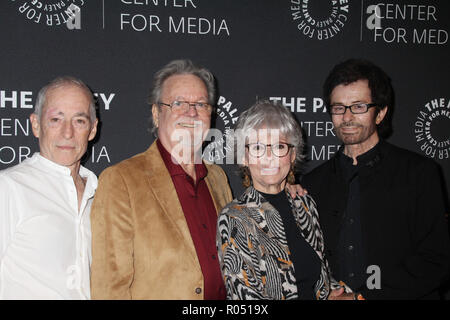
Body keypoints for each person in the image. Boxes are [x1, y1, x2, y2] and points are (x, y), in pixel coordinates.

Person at [302, 59, 450, 299]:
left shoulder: (419, 173)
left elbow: (436, 259)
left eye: (358, 107)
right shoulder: (312, 184)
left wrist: (365, 297)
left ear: (380, 113)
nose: (347, 117)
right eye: (339, 107)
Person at [216, 100, 355, 300]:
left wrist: (340, 294)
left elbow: (321, 278)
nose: (269, 157)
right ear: (243, 157)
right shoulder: (234, 219)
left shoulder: (304, 204)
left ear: (292, 154)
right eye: (257, 148)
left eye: (279, 146)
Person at [0, 76, 98, 299]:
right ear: (36, 125)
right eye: (56, 119)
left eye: (79, 121)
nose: (67, 133)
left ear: (92, 130)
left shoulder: (100, 195)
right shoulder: (9, 188)